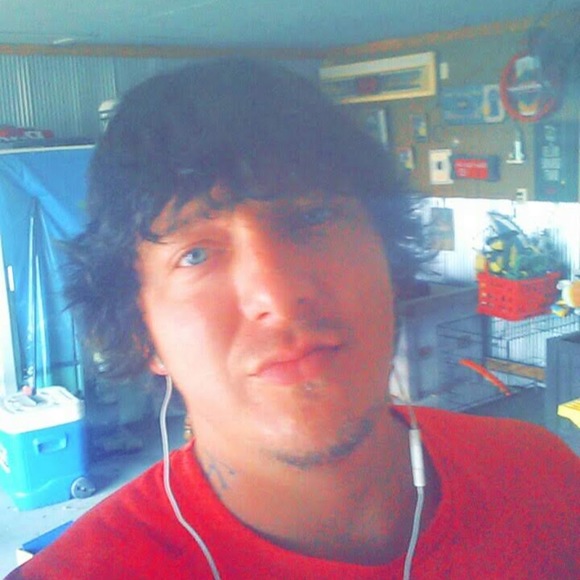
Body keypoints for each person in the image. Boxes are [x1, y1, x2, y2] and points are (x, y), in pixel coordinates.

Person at [8, 58, 579, 579]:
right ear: (142, 331)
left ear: (388, 255)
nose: (277, 297)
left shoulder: (544, 475)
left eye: (312, 218)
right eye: (196, 254)